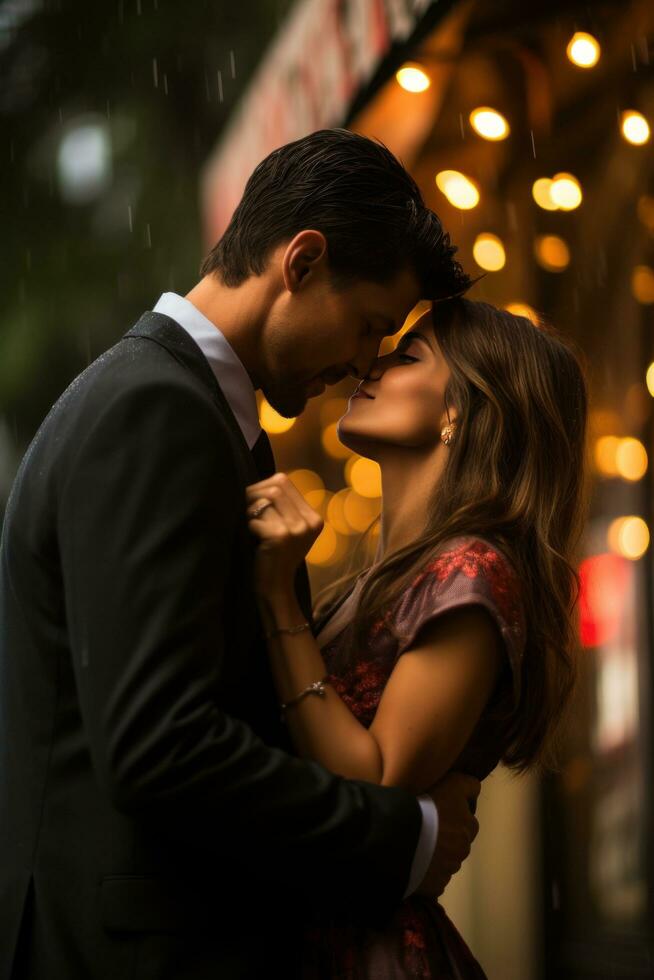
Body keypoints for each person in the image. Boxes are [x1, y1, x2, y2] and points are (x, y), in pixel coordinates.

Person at [0, 129, 482, 980]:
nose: (364, 364)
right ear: (300, 263)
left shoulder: (185, 407)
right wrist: (401, 840)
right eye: (370, 326)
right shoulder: (157, 407)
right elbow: (159, 744)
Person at [245, 298, 588, 978]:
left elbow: (376, 783)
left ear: (460, 411)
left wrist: (277, 594)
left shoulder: (472, 572)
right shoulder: (381, 580)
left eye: (407, 356)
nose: (372, 364)